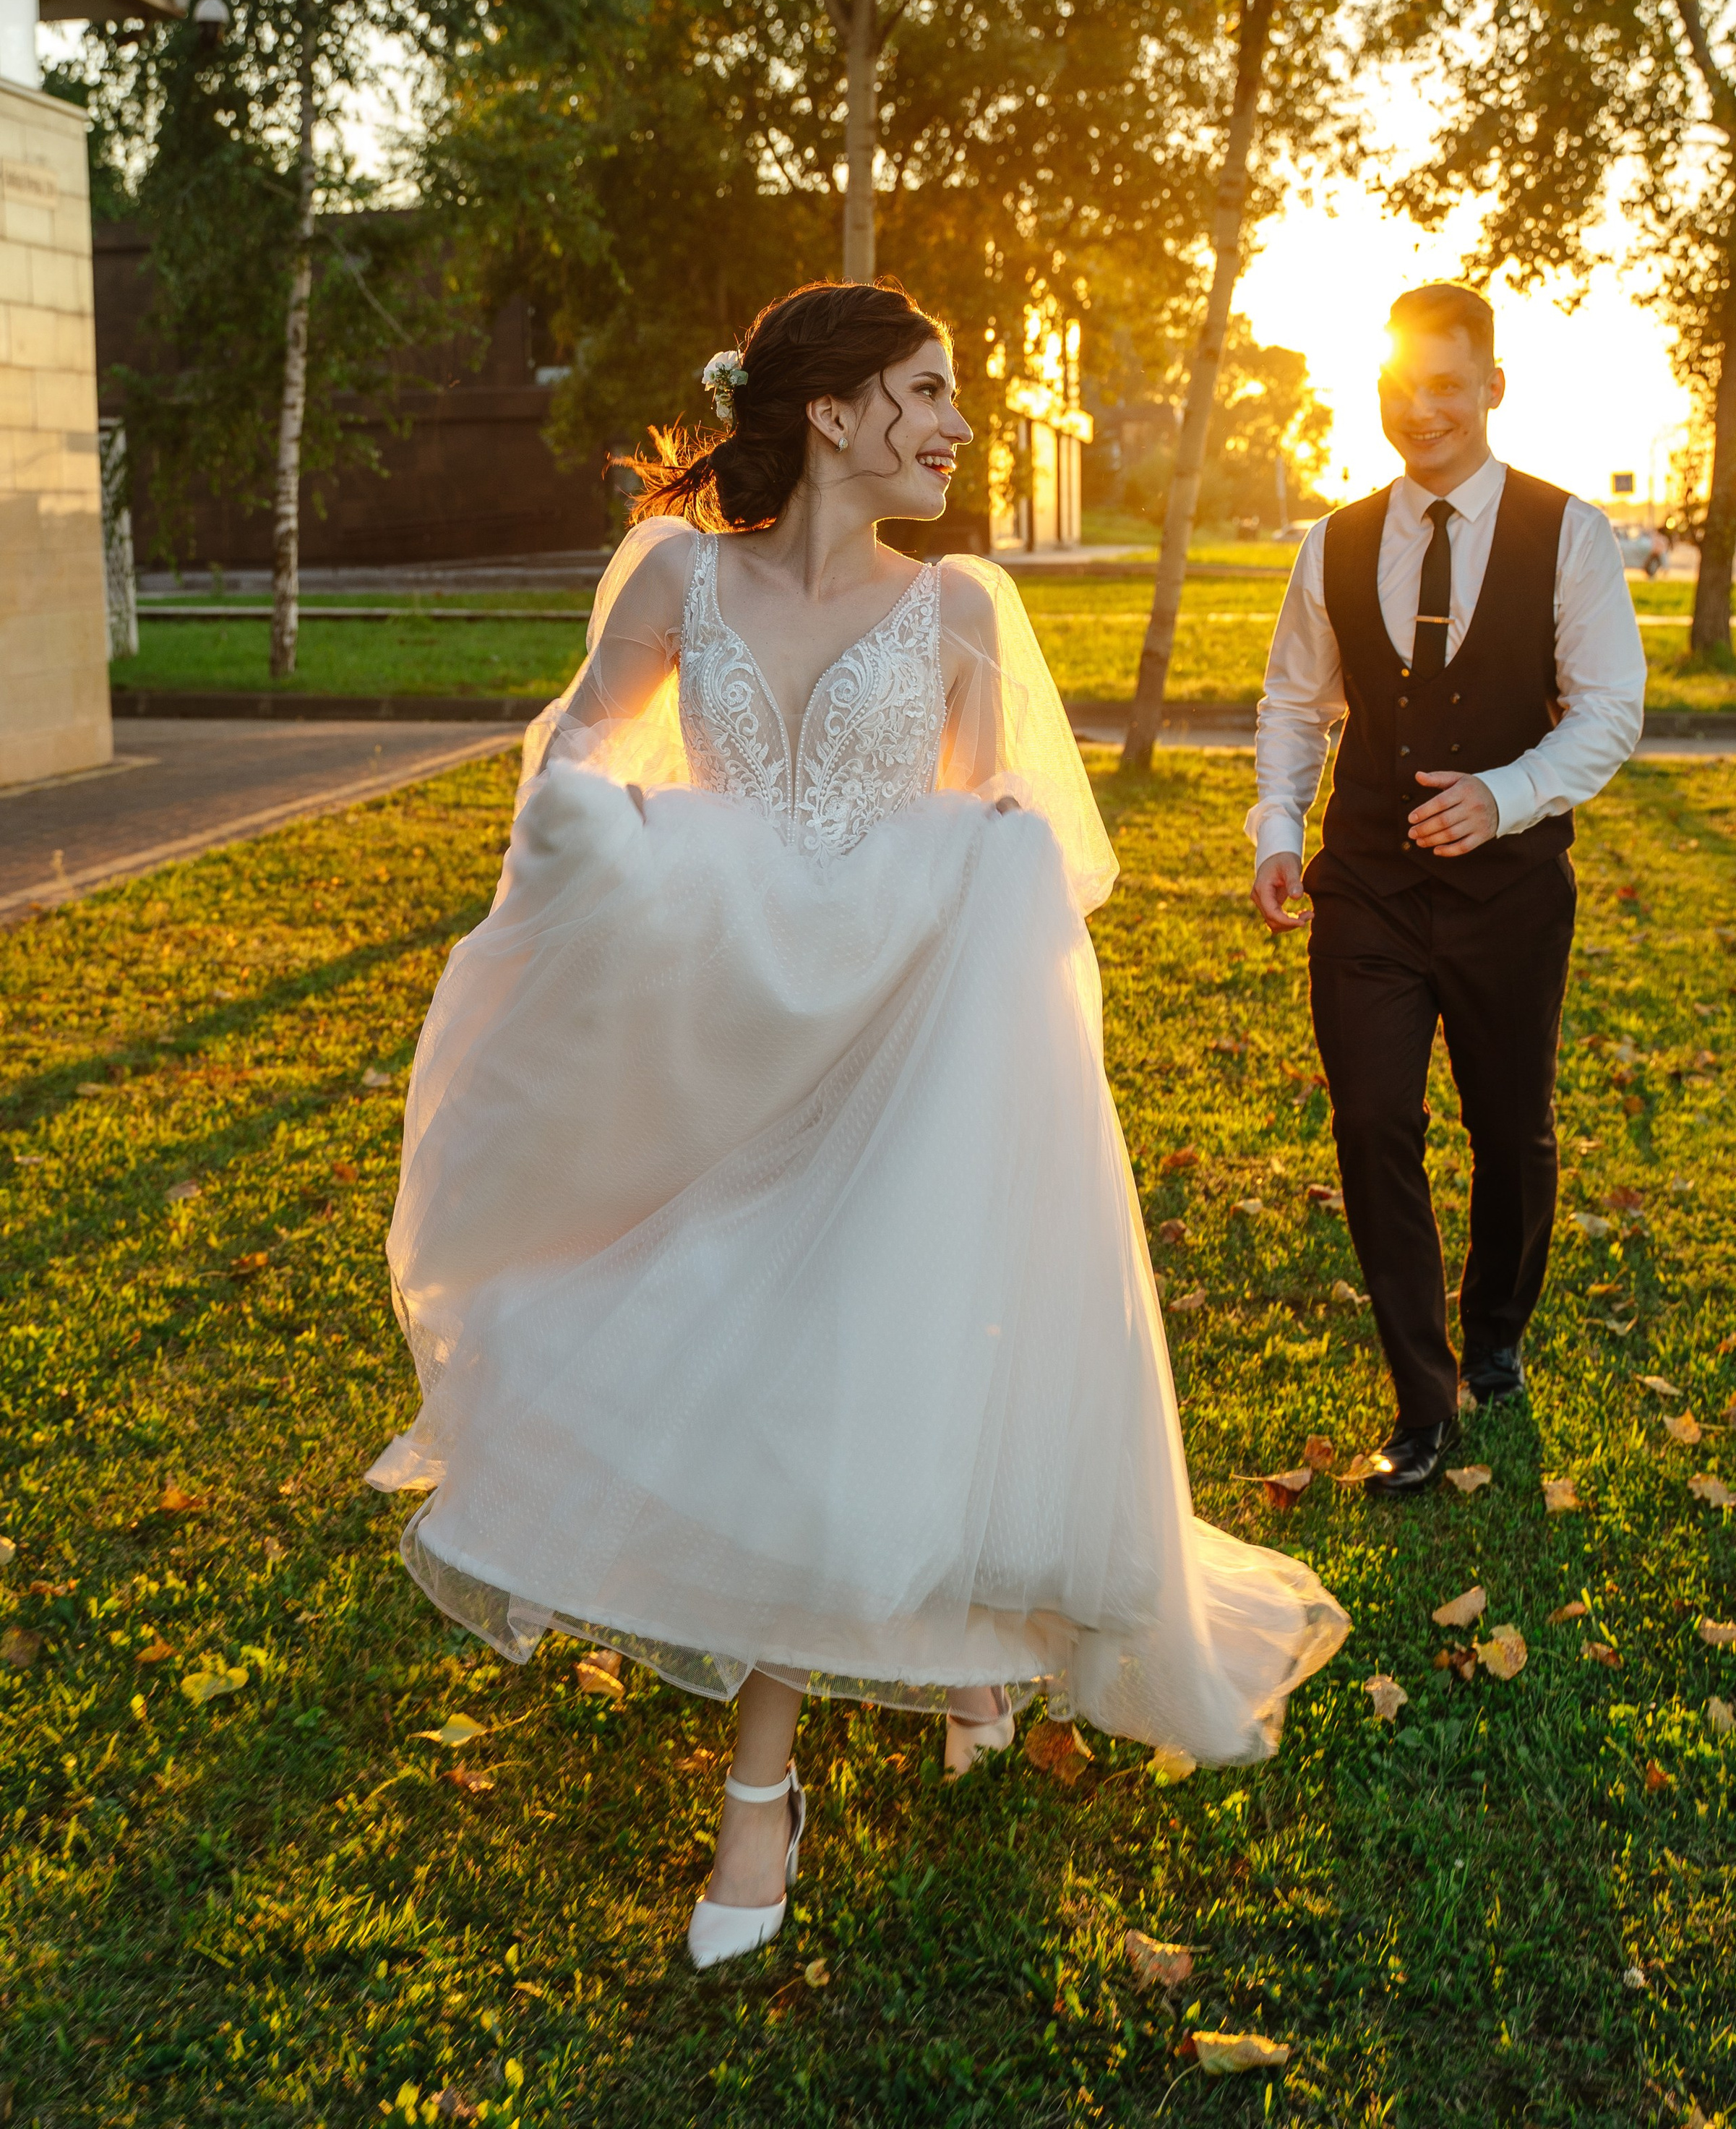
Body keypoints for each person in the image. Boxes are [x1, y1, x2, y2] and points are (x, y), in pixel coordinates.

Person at [368, 280, 1348, 1971]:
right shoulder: (681, 575)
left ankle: (765, 1789)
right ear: (826, 414)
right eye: (926, 392)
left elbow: (1020, 848)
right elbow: (583, 750)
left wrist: (983, 854)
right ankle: (943, 1662)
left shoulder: (962, 608)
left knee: (844, 1359)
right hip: (722, 1030)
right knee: (696, 1349)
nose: (958, 427)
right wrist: (602, 827)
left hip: (897, 1053)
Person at [1247, 283, 1646, 1496]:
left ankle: (1498, 1339)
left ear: (1491, 389)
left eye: (1444, 385)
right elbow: (1294, 702)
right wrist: (1277, 824)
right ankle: (1422, 1404)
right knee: (1372, 1123)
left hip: (1513, 892)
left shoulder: (1568, 533)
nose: (1420, 411)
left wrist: (1508, 793)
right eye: (1398, 388)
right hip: (1364, 882)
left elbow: (1611, 709)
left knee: (1510, 1129)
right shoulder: (1337, 539)